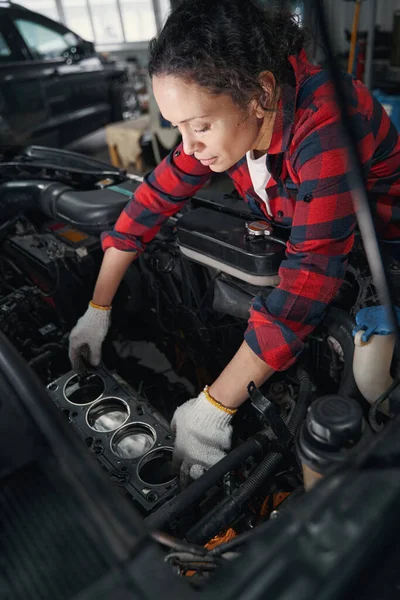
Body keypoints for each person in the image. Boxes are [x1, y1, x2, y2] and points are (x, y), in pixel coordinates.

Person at [69, 0, 400, 482]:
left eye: (199, 126)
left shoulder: (327, 122)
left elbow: (307, 283)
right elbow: (150, 200)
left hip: (385, 254)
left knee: (370, 383)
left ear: (261, 92)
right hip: (311, 237)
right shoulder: (231, 119)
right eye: (177, 127)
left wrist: (212, 408)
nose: (188, 146)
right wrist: (98, 310)